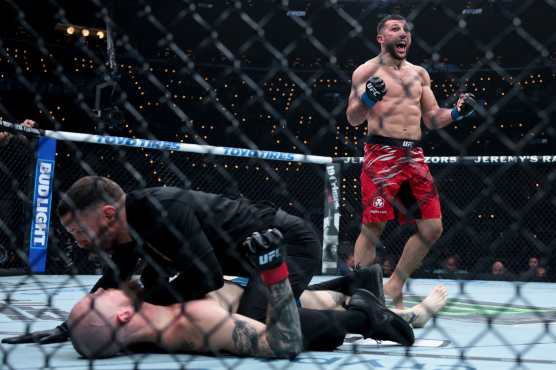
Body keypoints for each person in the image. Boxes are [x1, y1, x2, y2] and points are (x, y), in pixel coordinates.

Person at [346, 14, 479, 307]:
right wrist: (368, 98)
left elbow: (432, 118)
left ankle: (394, 285)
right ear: (381, 38)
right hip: (381, 154)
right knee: (373, 226)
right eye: (395, 29)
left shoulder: (419, 74)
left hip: (414, 155)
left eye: (406, 30)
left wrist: (456, 113)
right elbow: (353, 118)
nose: (403, 33)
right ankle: (361, 295)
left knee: (432, 228)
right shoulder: (365, 71)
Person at [0, 119, 37, 270]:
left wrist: (19, 130)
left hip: (8, 190)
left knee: (7, 223)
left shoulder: (20, 144)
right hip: (7, 188)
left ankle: (6, 256)